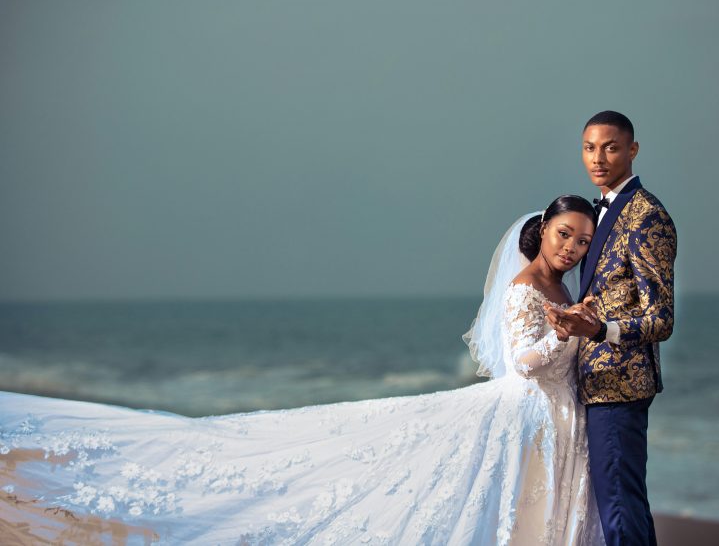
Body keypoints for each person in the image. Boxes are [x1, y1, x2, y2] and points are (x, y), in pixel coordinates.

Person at [0, 196, 606, 545]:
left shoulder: (564, 284)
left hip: (559, 415)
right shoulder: (529, 288)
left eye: (582, 241)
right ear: (542, 231)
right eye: (564, 235)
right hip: (529, 413)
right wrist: (564, 334)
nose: (573, 248)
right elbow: (524, 363)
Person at [546, 111, 677, 546]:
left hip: (620, 385)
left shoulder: (646, 216)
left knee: (620, 508)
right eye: (589, 147)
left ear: (632, 151)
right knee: (618, 505)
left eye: (610, 147)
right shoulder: (597, 212)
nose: (597, 158)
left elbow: (661, 318)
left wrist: (603, 330)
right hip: (593, 383)